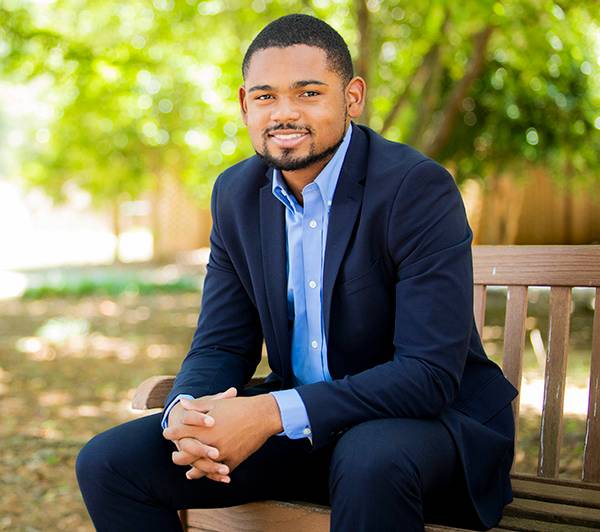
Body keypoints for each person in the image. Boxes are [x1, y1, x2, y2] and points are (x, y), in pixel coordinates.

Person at [76, 14, 518, 532]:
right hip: (307, 432)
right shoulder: (237, 195)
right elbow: (221, 345)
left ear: (352, 97)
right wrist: (189, 414)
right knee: (109, 464)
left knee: (368, 458)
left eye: (308, 93)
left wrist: (268, 414)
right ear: (245, 104)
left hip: (427, 429)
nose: (285, 113)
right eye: (265, 97)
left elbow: (428, 374)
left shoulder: (416, 189)